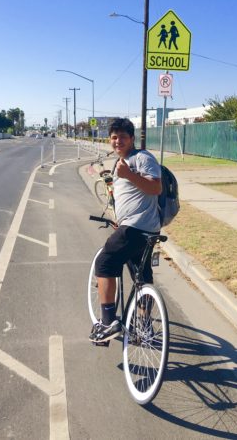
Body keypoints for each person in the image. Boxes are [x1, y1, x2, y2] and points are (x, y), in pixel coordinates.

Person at [89, 118, 162, 343]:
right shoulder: (120, 162)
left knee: (105, 262)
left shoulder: (142, 158)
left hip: (136, 227)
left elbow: (156, 187)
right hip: (141, 228)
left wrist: (129, 175)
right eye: (114, 137)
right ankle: (144, 325)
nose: (117, 141)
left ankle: (108, 322)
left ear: (132, 138)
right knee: (142, 278)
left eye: (122, 137)